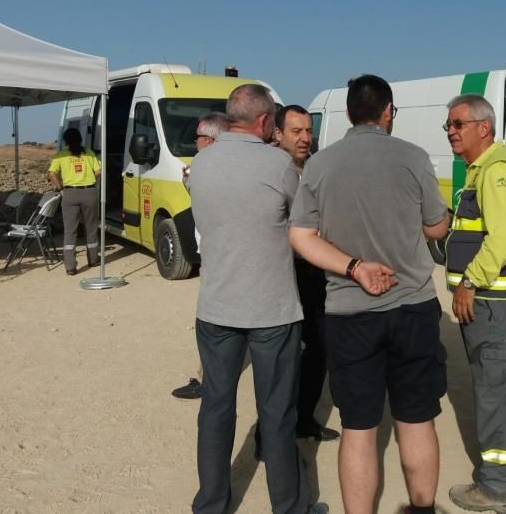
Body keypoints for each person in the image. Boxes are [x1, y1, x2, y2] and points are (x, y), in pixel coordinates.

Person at [289, 74, 449, 514]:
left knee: (359, 428)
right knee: (416, 422)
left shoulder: (321, 165)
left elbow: (301, 236)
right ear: (388, 112)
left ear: (346, 115)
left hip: (349, 311)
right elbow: (436, 226)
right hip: (412, 305)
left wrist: (355, 268)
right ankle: (422, 507)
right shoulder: (413, 157)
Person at [190, 84, 324, 514]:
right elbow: (303, 223)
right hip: (272, 309)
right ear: (267, 122)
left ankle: (210, 503)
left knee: (215, 408)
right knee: (277, 413)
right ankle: (289, 506)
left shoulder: (202, 163)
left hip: (216, 305)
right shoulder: (278, 164)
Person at [442, 94, 506, 514]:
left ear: (483, 127)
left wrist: (469, 282)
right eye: (447, 125)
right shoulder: (484, 169)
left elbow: (501, 240)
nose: (451, 131)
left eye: (458, 124)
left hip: (495, 299)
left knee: (493, 390)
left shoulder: (495, 172)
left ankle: (499, 487)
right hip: (504, 297)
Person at [275, 105, 339, 441]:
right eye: (296, 131)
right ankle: (268, 437)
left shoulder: (317, 168)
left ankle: (305, 420)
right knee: (284, 359)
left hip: (315, 272)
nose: (304, 138)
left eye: (308, 131)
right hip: (282, 272)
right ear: (278, 134)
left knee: (319, 349)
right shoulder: (272, 172)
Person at [172, 112, 229, 401]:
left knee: (211, 323)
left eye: (197, 138)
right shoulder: (234, 166)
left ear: (209, 140)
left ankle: (208, 381)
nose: (195, 144)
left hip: (216, 257)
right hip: (227, 254)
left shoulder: (204, 169)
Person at [47, 127, 100, 277]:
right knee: (91, 228)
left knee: (70, 231)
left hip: (69, 194)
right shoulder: (88, 153)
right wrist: (88, 183)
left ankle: (70, 266)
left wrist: (60, 189)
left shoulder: (60, 155)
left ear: (65, 141)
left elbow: (52, 174)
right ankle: (93, 259)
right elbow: (98, 172)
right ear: (80, 139)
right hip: (89, 192)